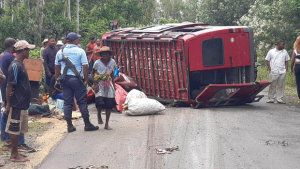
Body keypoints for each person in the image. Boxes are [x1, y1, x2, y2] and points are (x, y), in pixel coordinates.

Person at [55, 32, 99, 132]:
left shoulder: (60, 52)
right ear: (75, 41)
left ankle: (69, 126)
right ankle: (87, 124)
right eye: (78, 39)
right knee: (82, 102)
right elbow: (85, 66)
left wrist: (57, 80)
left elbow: (57, 67)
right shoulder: (80, 51)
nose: (79, 40)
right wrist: (86, 80)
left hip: (65, 80)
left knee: (67, 103)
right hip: (77, 80)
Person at [0, 38, 33, 152]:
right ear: (22, 51)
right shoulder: (14, 65)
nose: (29, 52)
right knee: (14, 127)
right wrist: (9, 104)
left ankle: (15, 148)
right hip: (17, 101)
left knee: (17, 127)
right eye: (28, 50)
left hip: (21, 101)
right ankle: (15, 152)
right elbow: (10, 85)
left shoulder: (19, 63)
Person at [92, 46, 117, 130]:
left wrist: (113, 84)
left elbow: (112, 73)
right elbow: (92, 72)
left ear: (109, 54)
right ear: (101, 54)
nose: (105, 55)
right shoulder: (97, 62)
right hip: (99, 84)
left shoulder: (112, 62)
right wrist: (94, 84)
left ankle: (107, 124)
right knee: (100, 102)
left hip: (109, 84)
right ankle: (99, 114)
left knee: (109, 105)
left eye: (106, 53)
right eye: (103, 53)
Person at [265, 40, 290, 104]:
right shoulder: (271, 51)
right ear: (278, 45)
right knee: (272, 85)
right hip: (274, 71)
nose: (284, 46)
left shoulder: (285, 52)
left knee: (281, 85)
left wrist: (286, 70)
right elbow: (267, 60)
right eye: (283, 44)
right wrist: (270, 69)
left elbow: (286, 61)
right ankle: (271, 98)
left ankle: (279, 98)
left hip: (282, 71)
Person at [290, 36, 300, 103]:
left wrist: (291, 69)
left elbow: (292, 61)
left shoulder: (296, 50)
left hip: (298, 67)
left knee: (298, 83)